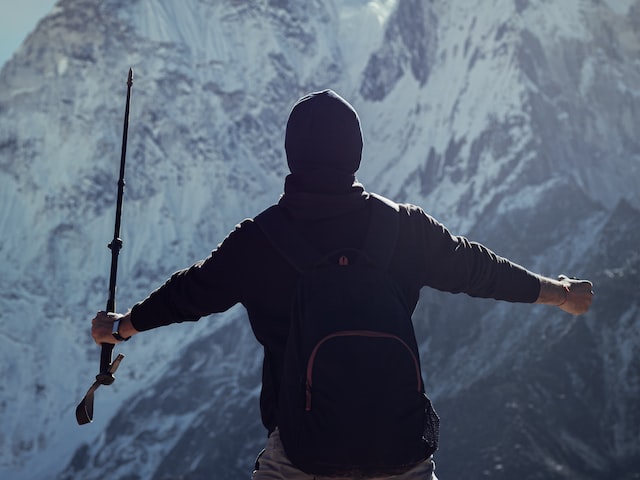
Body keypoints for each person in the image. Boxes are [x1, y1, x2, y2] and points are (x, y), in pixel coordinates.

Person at [91, 89, 594, 479]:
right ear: (355, 151)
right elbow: (478, 270)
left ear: (291, 155)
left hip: (302, 451)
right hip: (400, 444)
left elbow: (190, 294)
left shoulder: (258, 240)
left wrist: (123, 326)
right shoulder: (406, 228)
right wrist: (559, 293)